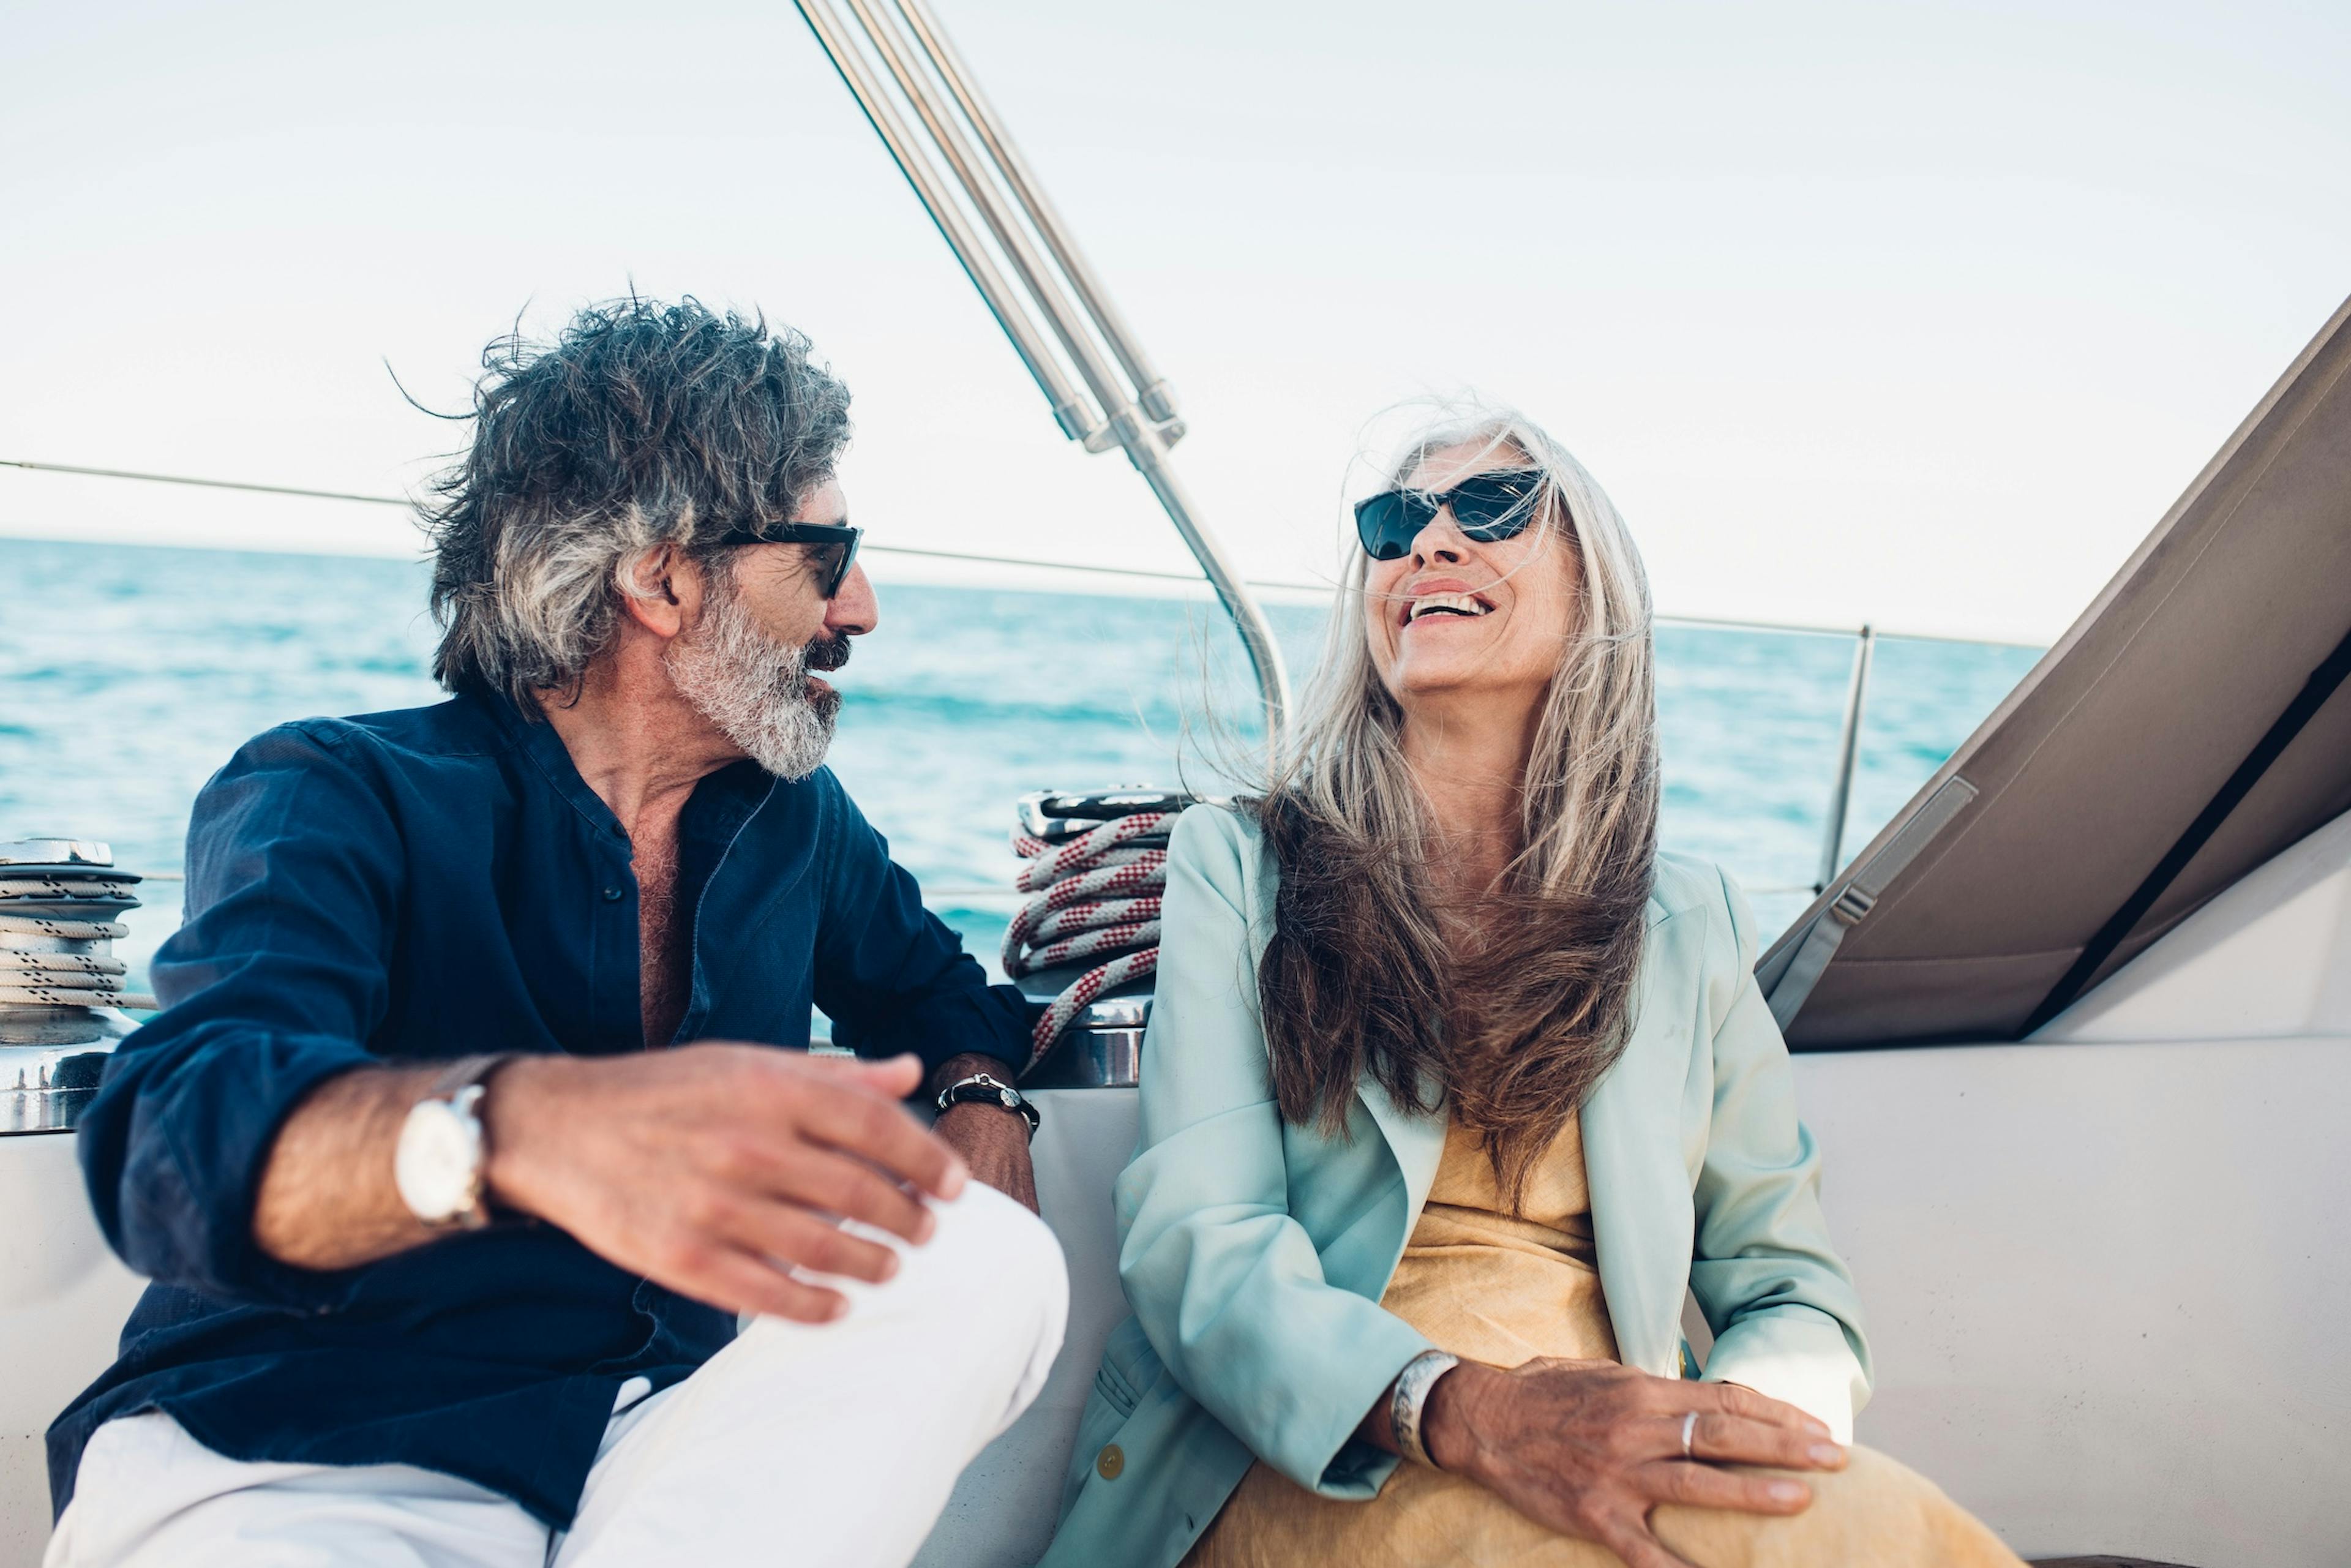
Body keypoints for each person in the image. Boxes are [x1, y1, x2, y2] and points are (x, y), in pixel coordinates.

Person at [46, 297, 1067, 1567]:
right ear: (661, 575)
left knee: (989, 1263)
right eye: (827, 553)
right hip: (305, 1456)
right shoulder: (335, 790)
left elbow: (935, 993)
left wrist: (982, 1095)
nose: (860, 608)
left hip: (656, 1471)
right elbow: (179, 1135)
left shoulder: (791, 822)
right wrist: (517, 1133)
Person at [1040, 411, 2024, 1568]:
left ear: (1591, 592)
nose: (1431, 543)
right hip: (1323, 1456)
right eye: (1396, 520)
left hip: (1617, 1444)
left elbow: (1785, 1282)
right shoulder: (1241, 866)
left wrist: (1723, 1441)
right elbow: (1202, 1245)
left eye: (1494, 509)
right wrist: (1477, 1413)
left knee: (1899, 1534)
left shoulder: (1686, 922)